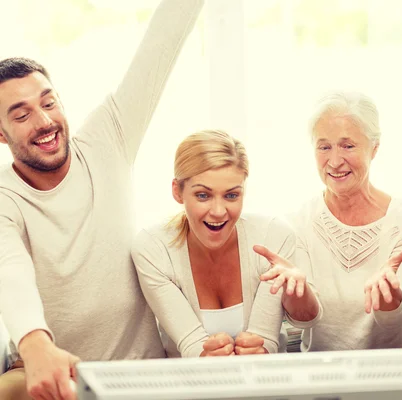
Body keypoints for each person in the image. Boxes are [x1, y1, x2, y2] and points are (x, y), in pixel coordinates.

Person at [0, 0, 205, 398]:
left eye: (48, 102)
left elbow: (162, 42)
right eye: (21, 115)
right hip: (55, 380)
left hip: (141, 378)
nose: (44, 122)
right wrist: (35, 342)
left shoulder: (107, 138)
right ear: (1, 133)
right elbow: (8, 270)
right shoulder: (4, 197)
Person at [132, 130, 322, 357]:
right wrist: (205, 356)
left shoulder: (272, 236)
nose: (219, 211)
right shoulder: (153, 248)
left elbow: (270, 339)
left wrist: (299, 293)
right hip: (189, 388)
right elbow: (190, 344)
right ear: (177, 191)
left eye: (231, 196)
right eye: (203, 195)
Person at [287, 91, 402, 352]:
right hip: (326, 378)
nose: (335, 161)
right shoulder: (299, 222)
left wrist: (390, 295)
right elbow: (304, 319)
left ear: (374, 148)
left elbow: (396, 318)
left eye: (348, 146)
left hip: (401, 376)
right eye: (324, 146)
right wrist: (293, 293)